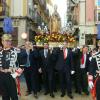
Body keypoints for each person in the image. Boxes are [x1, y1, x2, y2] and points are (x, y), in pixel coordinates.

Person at [0, 34, 24, 100]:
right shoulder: (0, 52)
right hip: (2, 77)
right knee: (4, 96)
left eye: (9, 41)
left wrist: (15, 74)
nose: (8, 42)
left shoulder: (17, 51)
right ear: (2, 42)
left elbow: (22, 66)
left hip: (12, 77)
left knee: (14, 96)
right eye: (6, 41)